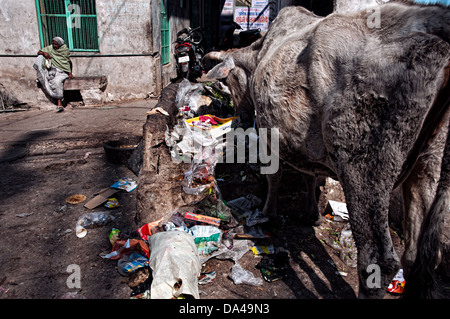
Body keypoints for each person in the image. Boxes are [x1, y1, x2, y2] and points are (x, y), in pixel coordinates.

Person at [33, 37, 74, 112]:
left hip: (62, 72)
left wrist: (69, 72)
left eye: (56, 44)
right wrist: (44, 53)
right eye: (53, 44)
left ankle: (59, 102)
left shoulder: (64, 50)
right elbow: (39, 52)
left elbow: (66, 62)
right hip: (52, 71)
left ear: (60, 44)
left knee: (57, 82)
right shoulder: (50, 48)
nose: (54, 45)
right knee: (48, 78)